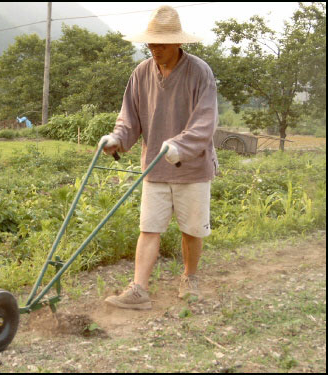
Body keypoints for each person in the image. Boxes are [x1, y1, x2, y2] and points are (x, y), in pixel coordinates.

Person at [101, 5, 219, 310]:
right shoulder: (141, 73)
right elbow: (129, 118)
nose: (154, 50)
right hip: (154, 166)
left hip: (191, 167)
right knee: (149, 228)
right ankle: (139, 289)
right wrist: (117, 139)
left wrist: (180, 145)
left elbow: (205, 122)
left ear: (178, 43)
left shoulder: (199, 72)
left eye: (161, 45)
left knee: (191, 229)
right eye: (151, 44)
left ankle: (189, 278)